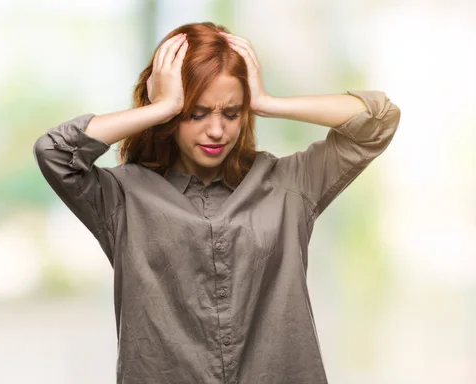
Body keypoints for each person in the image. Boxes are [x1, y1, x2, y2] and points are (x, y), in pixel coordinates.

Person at [33, 21, 400, 384]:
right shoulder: (121, 197)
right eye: (197, 113)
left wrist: (267, 103)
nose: (216, 130)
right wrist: (162, 107)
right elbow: (54, 152)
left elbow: (378, 120)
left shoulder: (291, 184)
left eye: (231, 113)